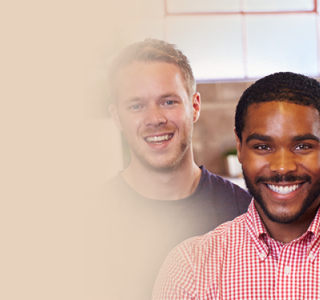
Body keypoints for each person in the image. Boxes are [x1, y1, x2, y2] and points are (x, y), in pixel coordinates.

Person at [153, 72, 320, 300]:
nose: (282, 167)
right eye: (263, 146)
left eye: (302, 146)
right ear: (240, 148)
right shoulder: (189, 268)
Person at [102, 38, 251, 298]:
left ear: (194, 106)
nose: (155, 119)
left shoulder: (244, 214)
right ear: (117, 117)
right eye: (136, 106)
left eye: (168, 101)